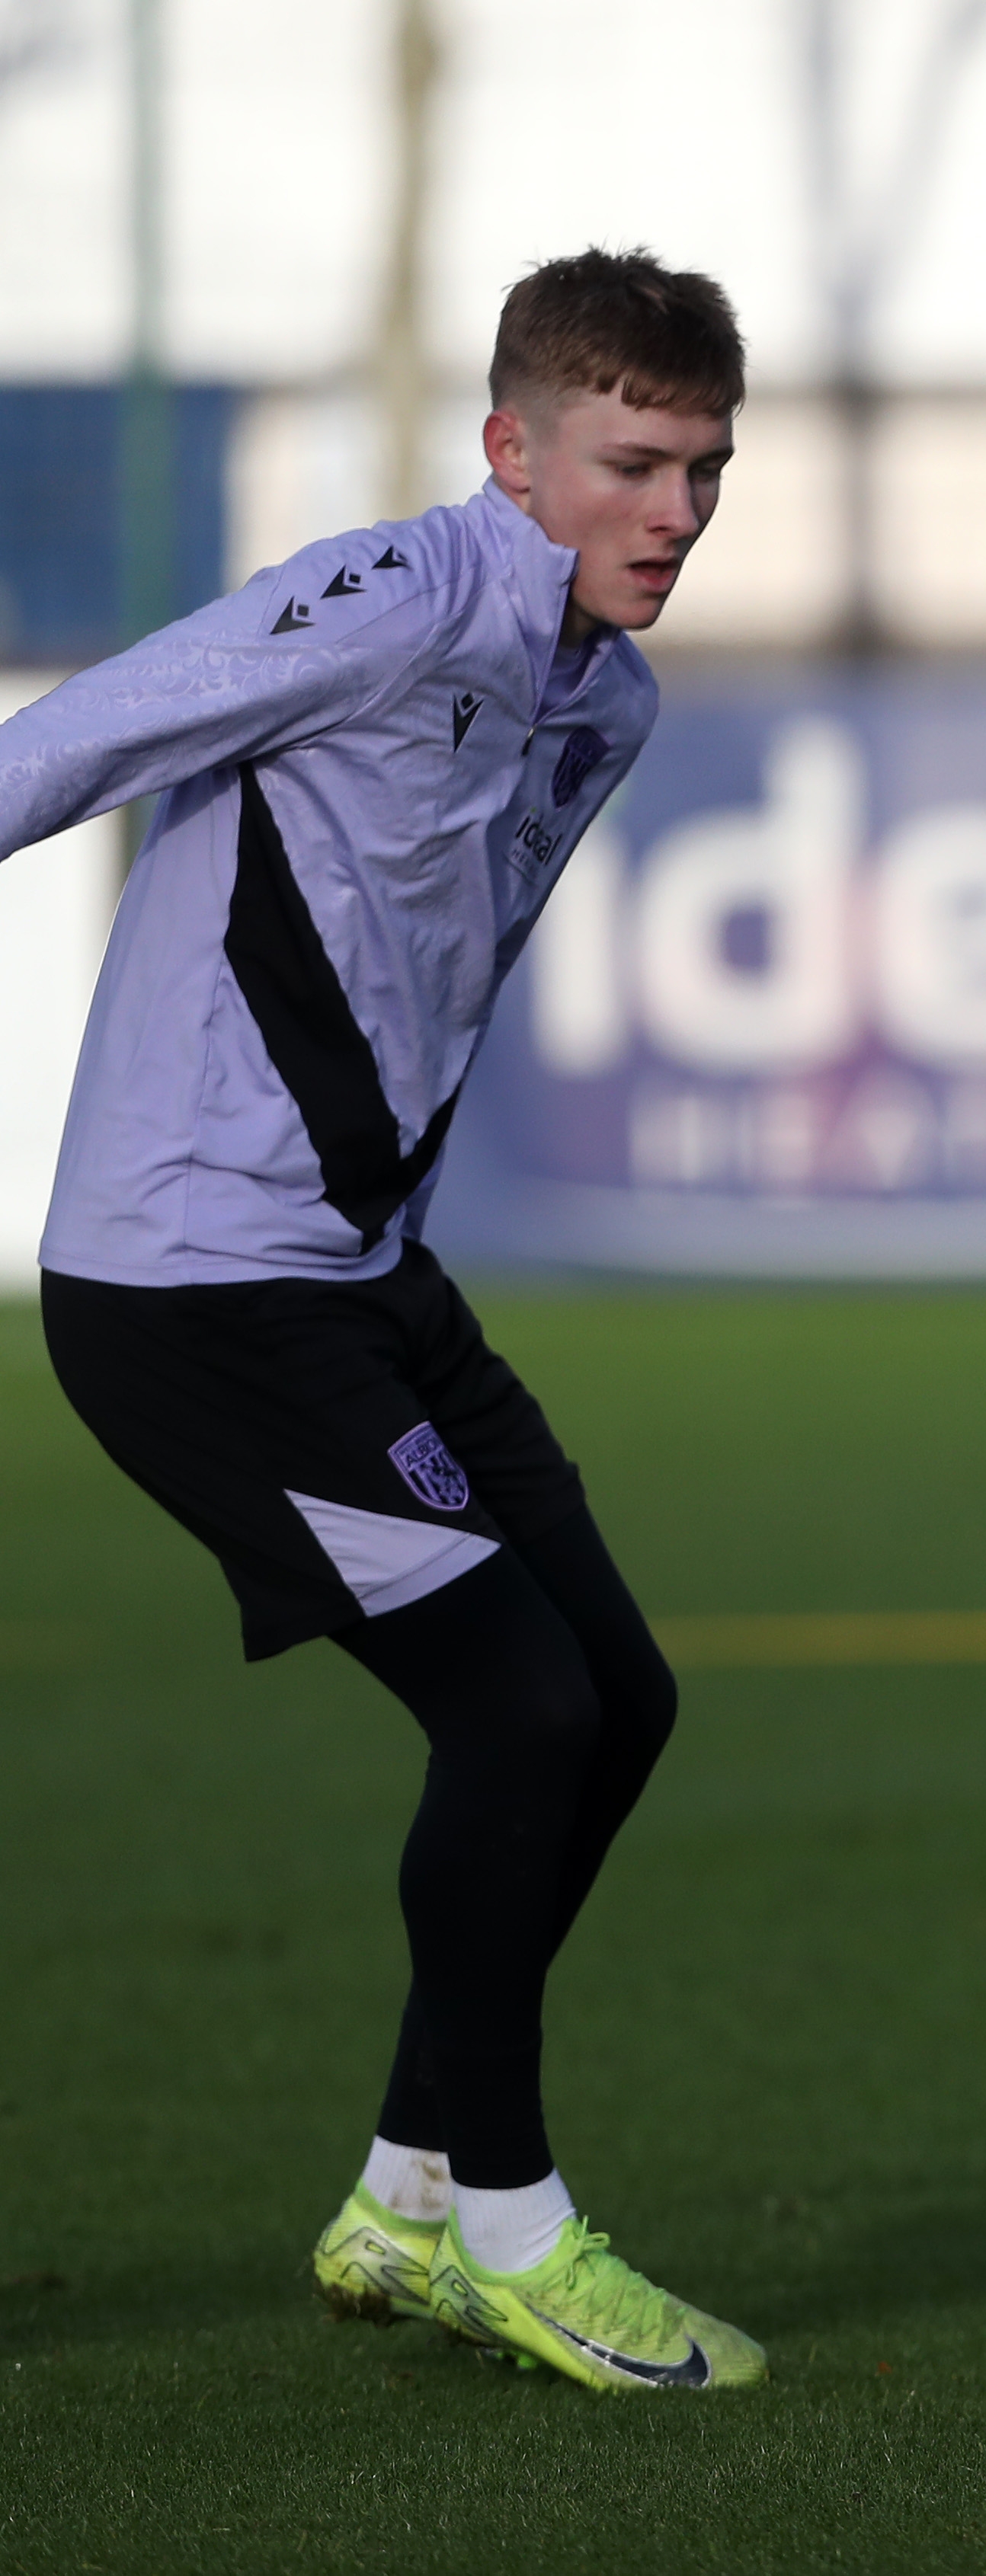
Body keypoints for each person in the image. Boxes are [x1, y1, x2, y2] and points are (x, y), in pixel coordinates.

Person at [0, 249, 761, 2392]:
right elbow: (73, 743)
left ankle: (409, 2195)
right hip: (185, 1286)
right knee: (515, 1713)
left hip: (354, 1287)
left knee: (614, 1696)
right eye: (632, 464)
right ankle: (513, 2228)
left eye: (705, 471)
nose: (676, 512)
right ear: (512, 452)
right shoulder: (393, 598)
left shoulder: (603, 701)